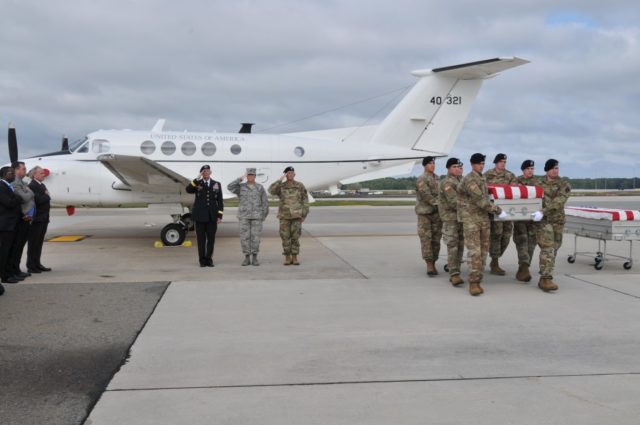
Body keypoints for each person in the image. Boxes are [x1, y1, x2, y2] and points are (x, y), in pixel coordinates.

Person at [458, 153, 506, 296]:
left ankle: (479, 278)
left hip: (483, 220)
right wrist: (498, 210)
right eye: (479, 163)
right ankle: (473, 282)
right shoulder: (470, 179)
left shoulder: (481, 178)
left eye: (483, 163)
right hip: (471, 220)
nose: (482, 165)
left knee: (484, 251)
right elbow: (480, 200)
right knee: (475, 252)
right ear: (472, 164)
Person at [536, 159, 571, 292]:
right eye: (553, 168)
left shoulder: (564, 184)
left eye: (557, 168)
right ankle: (546, 278)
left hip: (557, 221)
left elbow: (559, 201)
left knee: (555, 248)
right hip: (543, 222)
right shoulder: (538, 183)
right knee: (548, 248)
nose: (555, 170)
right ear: (547, 170)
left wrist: (543, 211)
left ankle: (545, 275)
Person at [227, 168, 270, 266]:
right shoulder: (241, 187)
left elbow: (265, 202)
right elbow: (230, 186)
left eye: (252, 175)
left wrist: (264, 215)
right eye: (249, 175)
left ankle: (255, 257)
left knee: (256, 238)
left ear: (255, 176)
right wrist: (240, 178)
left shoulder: (259, 187)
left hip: (257, 216)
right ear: (247, 176)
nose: (250, 176)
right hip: (244, 216)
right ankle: (246, 257)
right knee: (244, 238)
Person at [484, 153, 518, 276]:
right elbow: (483, 192)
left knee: (506, 236)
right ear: (496, 162)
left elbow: (515, 191)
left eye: (504, 162)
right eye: (501, 161)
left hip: (508, 212)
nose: (503, 163)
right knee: (496, 235)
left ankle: (496, 257)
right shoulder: (487, 175)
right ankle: (495, 262)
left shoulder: (510, 175)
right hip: (494, 212)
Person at [269, 166, 309, 266]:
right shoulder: (281, 186)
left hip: (296, 216)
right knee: (285, 237)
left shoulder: (300, 185)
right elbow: (271, 191)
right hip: (284, 216)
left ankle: (295, 257)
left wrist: (304, 214)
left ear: (294, 174)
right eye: (288, 173)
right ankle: (287, 257)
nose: (290, 174)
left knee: (295, 237)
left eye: (292, 173)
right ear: (286, 175)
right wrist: (280, 179)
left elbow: (305, 200)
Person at [185, 165, 224, 267]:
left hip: (212, 217)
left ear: (210, 172)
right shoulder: (197, 184)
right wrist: (197, 178)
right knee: (201, 240)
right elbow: (188, 190)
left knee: (211, 239)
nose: (206, 172)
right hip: (200, 217)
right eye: (204, 171)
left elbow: (220, 201)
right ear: (202, 173)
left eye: (207, 171)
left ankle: (209, 259)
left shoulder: (217, 184)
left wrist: (219, 216)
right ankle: (202, 260)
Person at [438, 158, 464, 286]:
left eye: (459, 166)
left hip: (462, 219)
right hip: (451, 219)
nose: (458, 169)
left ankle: (456, 269)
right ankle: (454, 274)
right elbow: (454, 202)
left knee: (460, 246)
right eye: (454, 166)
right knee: (453, 246)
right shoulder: (447, 182)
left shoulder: (462, 181)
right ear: (448, 168)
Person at [415, 156, 442, 276]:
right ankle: (429, 264)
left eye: (433, 163)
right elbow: (426, 195)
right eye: (430, 163)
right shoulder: (421, 179)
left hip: (437, 214)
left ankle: (434, 261)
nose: (433, 165)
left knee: (436, 239)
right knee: (426, 239)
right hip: (425, 214)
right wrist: (441, 203)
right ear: (425, 165)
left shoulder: (437, 178)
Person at [513, 159, 539, 282]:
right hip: (520, 217)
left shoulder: (538, 182)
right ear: (523, 170)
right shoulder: (516, 181)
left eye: (532, 169)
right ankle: (524, 267)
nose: (530, 171)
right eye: (528, 169)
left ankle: (524, 267)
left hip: (534, 218)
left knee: (532, 243)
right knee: (522, 240)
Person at [8, 161, 35, 281]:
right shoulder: (15, 183)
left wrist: (28, 191)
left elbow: (28, 194)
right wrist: (29, 191)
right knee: (16, 246)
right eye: (23, 169)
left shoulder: (23, 183)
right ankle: (12, 270)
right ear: (16, 170)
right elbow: (25, 197)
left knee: (20, 247)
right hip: (21, 218)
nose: (25, 171)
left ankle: (17, 269)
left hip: (27, 218)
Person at [27, 166, 52, 273]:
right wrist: (47, 196)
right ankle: (31, 265)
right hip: (37, 219)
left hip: (43, 218)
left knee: (39, 243)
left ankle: (37, 263)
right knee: (33, 243)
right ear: (34, 175)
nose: (44, 175)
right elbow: (37, 200)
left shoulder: (41, 185)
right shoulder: (32, 185)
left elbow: (43, 197)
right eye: (41, 173)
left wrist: (46, 195)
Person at [0, 166, 21, 285]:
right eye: (10, 173)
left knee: (10, 251)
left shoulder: (9, 186)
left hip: (11, 224)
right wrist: (18, 198)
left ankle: (9, 273)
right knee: (4, 251)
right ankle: (4, 276)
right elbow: (9, 203)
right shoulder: (1, 186)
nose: (13, 175)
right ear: (4, 174)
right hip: (5, 225)